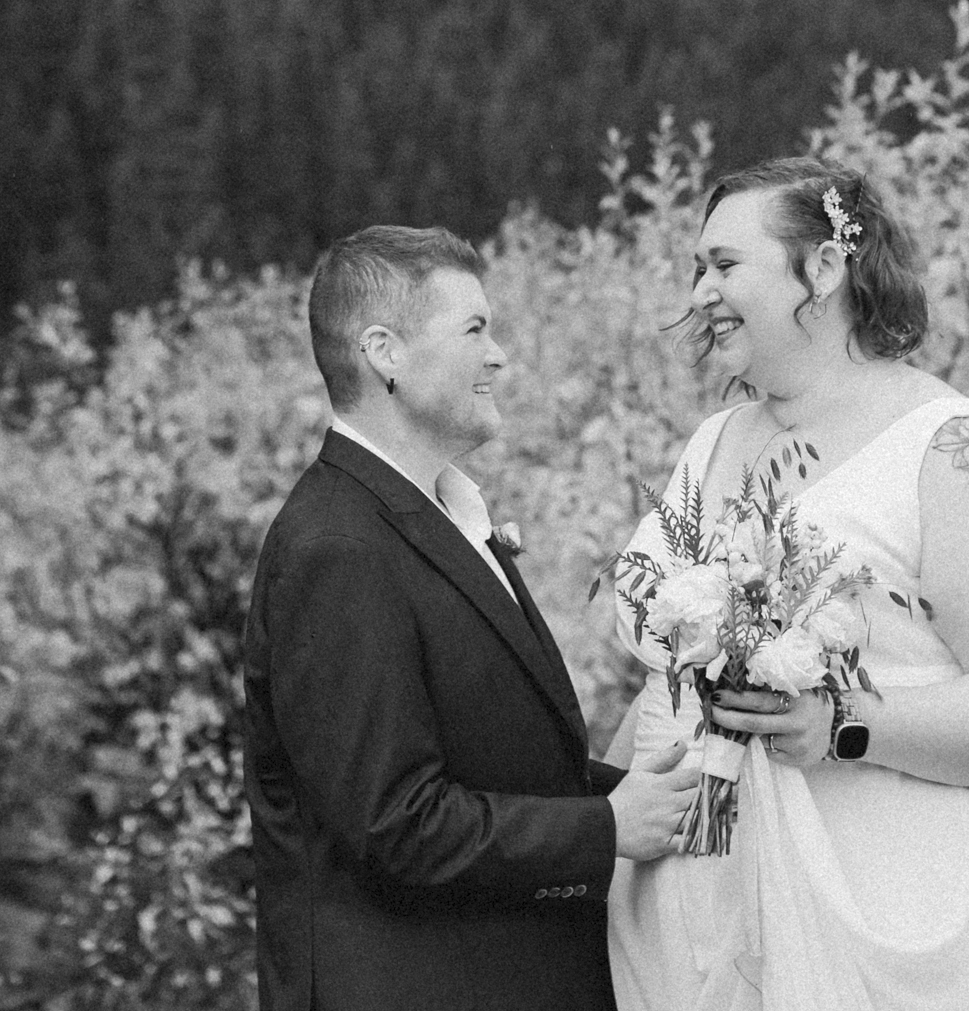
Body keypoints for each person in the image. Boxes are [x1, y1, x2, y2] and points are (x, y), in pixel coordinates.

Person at [604, 157, 969, 1010]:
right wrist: (589, 824)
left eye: (724, 266)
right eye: (696, 270)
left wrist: (844, 723)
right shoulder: (715, 442)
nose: (699, 295)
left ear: (826, 268)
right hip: (700, 910)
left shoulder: (951, 451)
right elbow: (668, 682)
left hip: (890, 906)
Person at [244, 224, 699, 1011]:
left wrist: (647, 796)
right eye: (475, 330)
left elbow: (488, 764)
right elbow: (395, 824)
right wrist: (605, 829)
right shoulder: (337, 549)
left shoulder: (434, 516)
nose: (500, 357)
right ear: (384, 352)